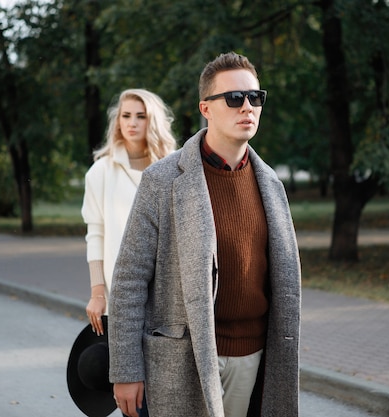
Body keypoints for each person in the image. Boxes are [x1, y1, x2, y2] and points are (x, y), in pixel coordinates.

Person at [108, 52, 301, 417]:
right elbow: (129, 280)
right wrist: (125, 370)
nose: (247, 106)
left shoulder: (271, 184)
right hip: (182, 360)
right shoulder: (163, 181)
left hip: (252, 356)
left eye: (255, 97)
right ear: (206, 108)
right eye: (234, 98)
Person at [82, 88, 176, 335]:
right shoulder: (100, 172)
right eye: (126, 116)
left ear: (152, 120)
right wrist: (97, 292)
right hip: (121, 288)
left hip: (166, 286)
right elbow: (95, 234)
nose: (132, 123)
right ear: (118, 120)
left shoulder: (173, 170)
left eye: (141, 116)